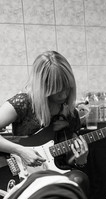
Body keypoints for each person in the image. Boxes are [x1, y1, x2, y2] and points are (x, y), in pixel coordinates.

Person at [0, 50, 88, 188]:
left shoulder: (70, 114)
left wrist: (81, 159)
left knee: (80, 180)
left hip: (56, 176)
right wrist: (20, 151)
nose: (64, 94)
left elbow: (69, 160)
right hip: (21, 177)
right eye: (58, 90)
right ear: (43, 87)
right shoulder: (23, 103)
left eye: (67, 88)